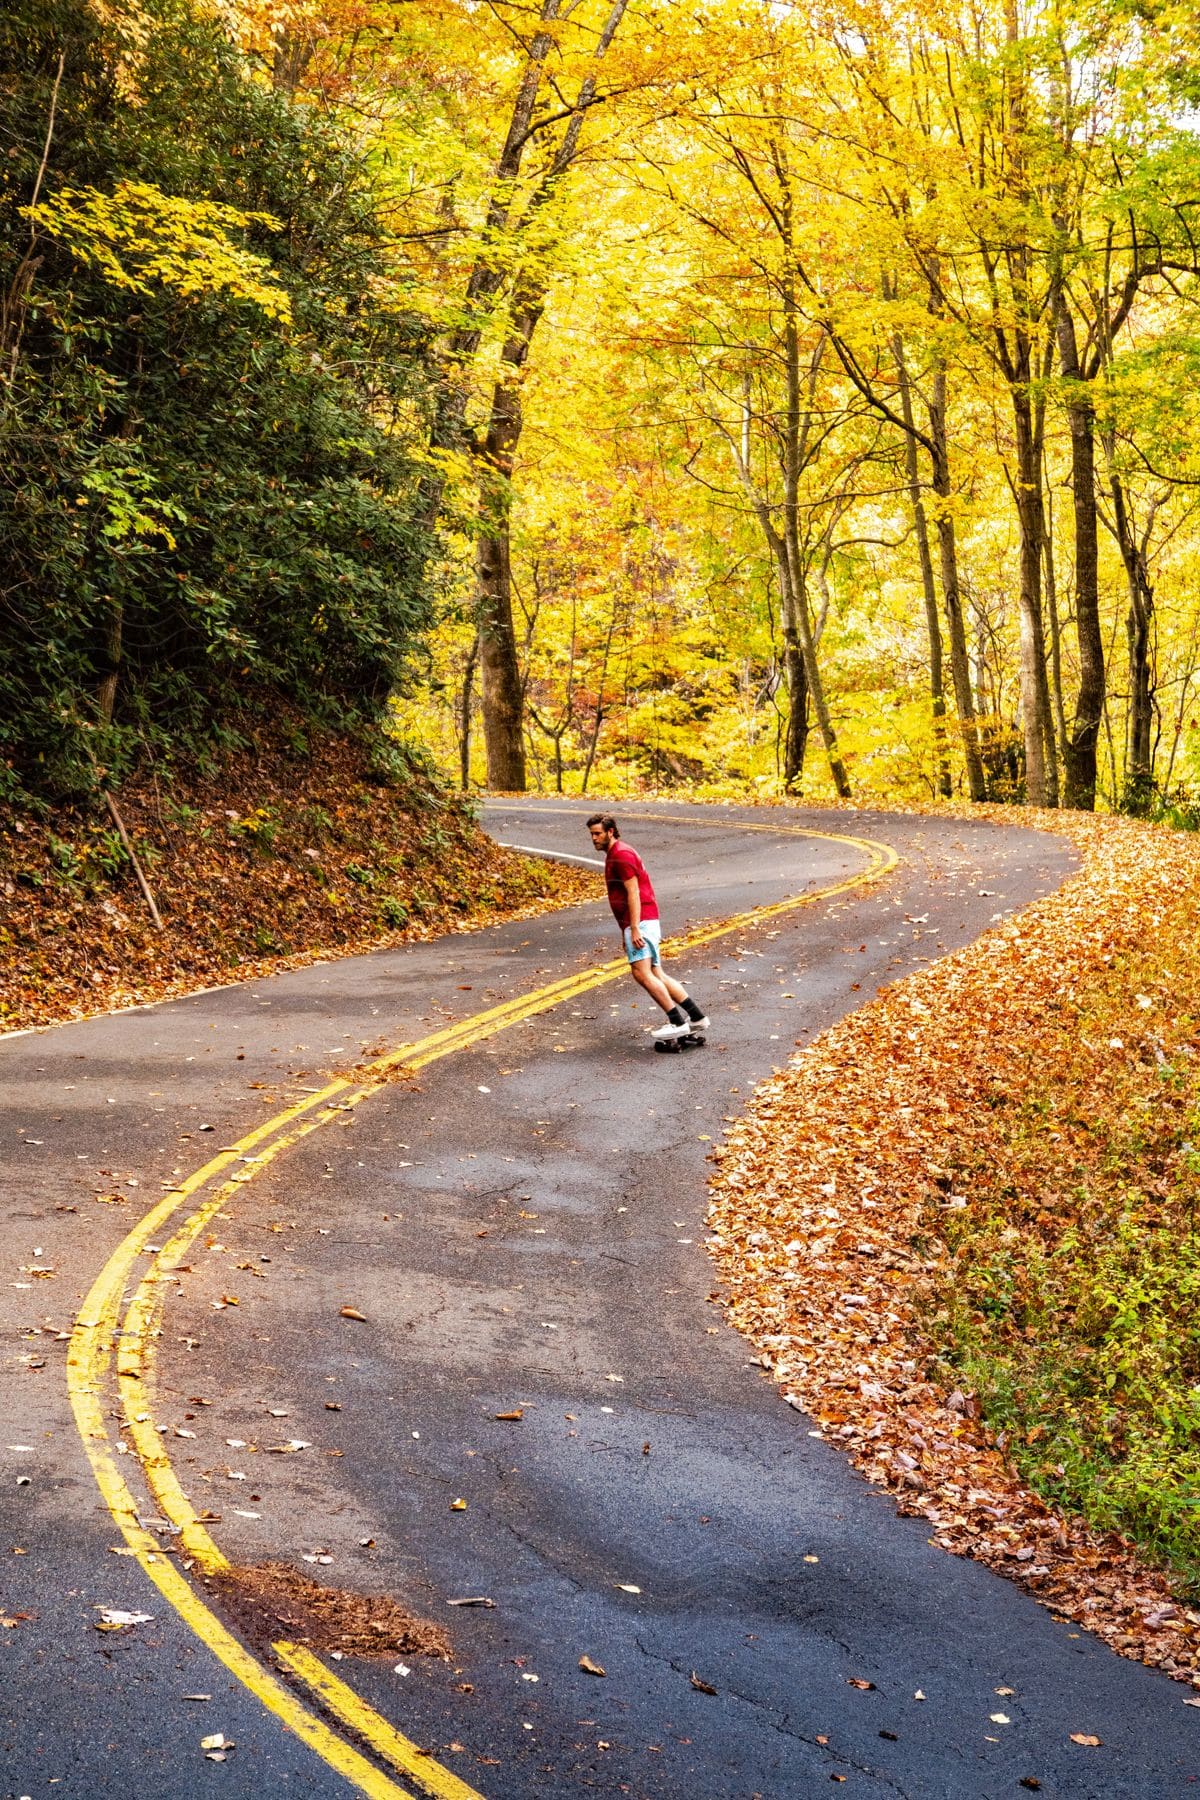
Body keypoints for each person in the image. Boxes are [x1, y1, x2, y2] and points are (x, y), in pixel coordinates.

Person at [586, 813, 709, 1042]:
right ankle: (697, 1017)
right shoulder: (616, 853)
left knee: (642, 973)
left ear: (610, 832)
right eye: (591, 834)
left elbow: (633, 892)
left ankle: (677, 1023)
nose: (594, 838)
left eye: (598, 833)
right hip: (643, 920)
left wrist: (634, 929)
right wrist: (626, 930)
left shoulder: (621, 855)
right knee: (655, 973)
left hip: (641, 921)